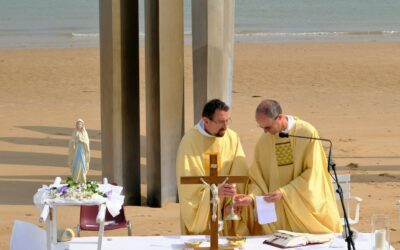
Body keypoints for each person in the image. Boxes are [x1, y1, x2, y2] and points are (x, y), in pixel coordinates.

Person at [236, 99, 342, 234]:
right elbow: (258, 178)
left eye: (267, 127)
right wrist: (251, 197)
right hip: (278, 215)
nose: (264, 132)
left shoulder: (306, 133)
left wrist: (284, 192)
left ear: (279, 117)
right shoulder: (264, 142)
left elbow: (314, 172)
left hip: (304, 209)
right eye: (261, 127)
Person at [176, 99, 252, 236]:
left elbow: (239, 172)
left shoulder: (232, 137)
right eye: (221, 122)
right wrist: (215, 192)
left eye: (228, 120)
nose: (225, 126)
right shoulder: (190, 142)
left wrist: (232, 202)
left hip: (227, 209)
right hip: (203, 213)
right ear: (206, 121)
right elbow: (188, 186)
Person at [68, 119, 90, 183]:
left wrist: (82, 141)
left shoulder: (84, 133)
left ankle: (82, 179)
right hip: (76, 151)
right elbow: (71, 142)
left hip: (82, 151)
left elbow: (87, 142)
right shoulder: (75, 133)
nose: (78, 125)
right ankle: (75, 180)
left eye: (80, 124)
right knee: (76, 164)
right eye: (77, 124)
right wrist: (75, 141)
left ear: (82, 125)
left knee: (82, 164)